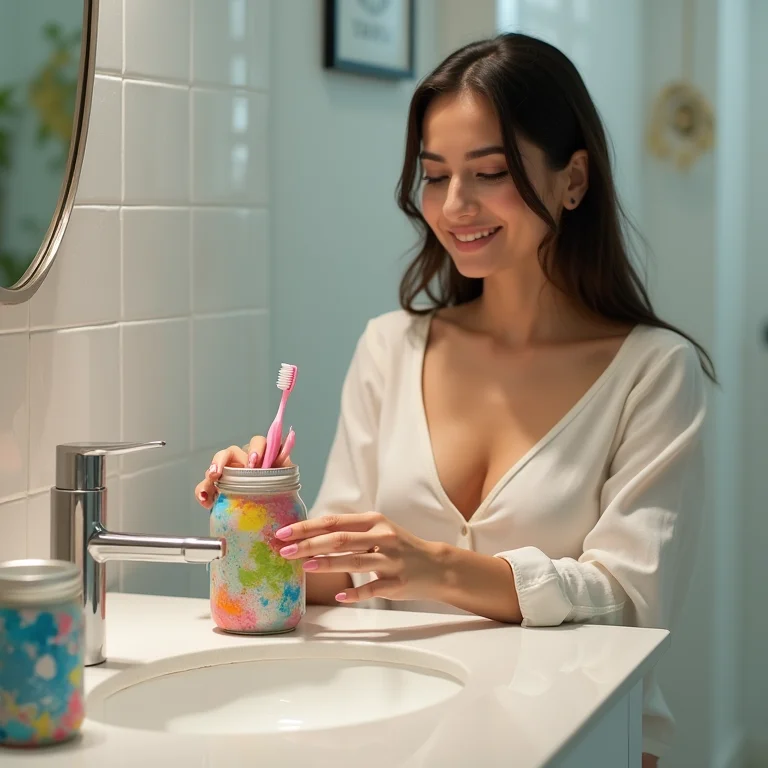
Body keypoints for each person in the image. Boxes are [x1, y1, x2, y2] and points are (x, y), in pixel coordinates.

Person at [194, 33, 713, 766]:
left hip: (586, 742)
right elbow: (340, 577)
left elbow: (629, 599)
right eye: (435, 176)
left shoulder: (655, 372)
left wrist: (435, 568)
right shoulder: (389, 348)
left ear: (573, 179)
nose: (455, 205)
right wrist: (256, 512)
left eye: (490, 171)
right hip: (406, 737)